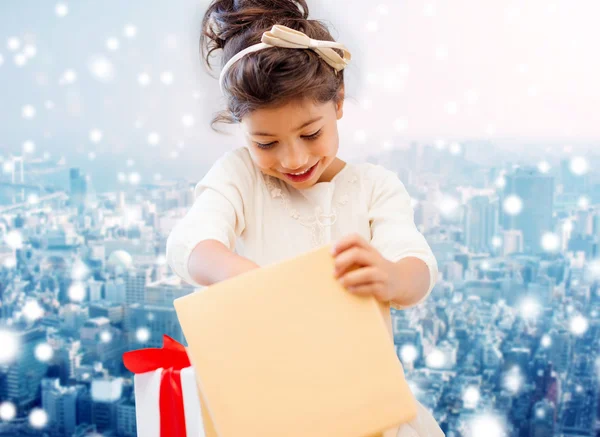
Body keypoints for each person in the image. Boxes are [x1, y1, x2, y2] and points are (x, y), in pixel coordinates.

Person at [166, 1, 444, 435]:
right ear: (242, 131)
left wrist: (391, 277)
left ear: (338, 102)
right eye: (265, 143)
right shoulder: (240, 178)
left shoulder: (373, 187)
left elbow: (418, 268)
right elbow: (189, 245)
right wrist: (250, 279)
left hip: (365, 410)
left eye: (310, 133)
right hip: (272, 410)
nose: (293, 158)